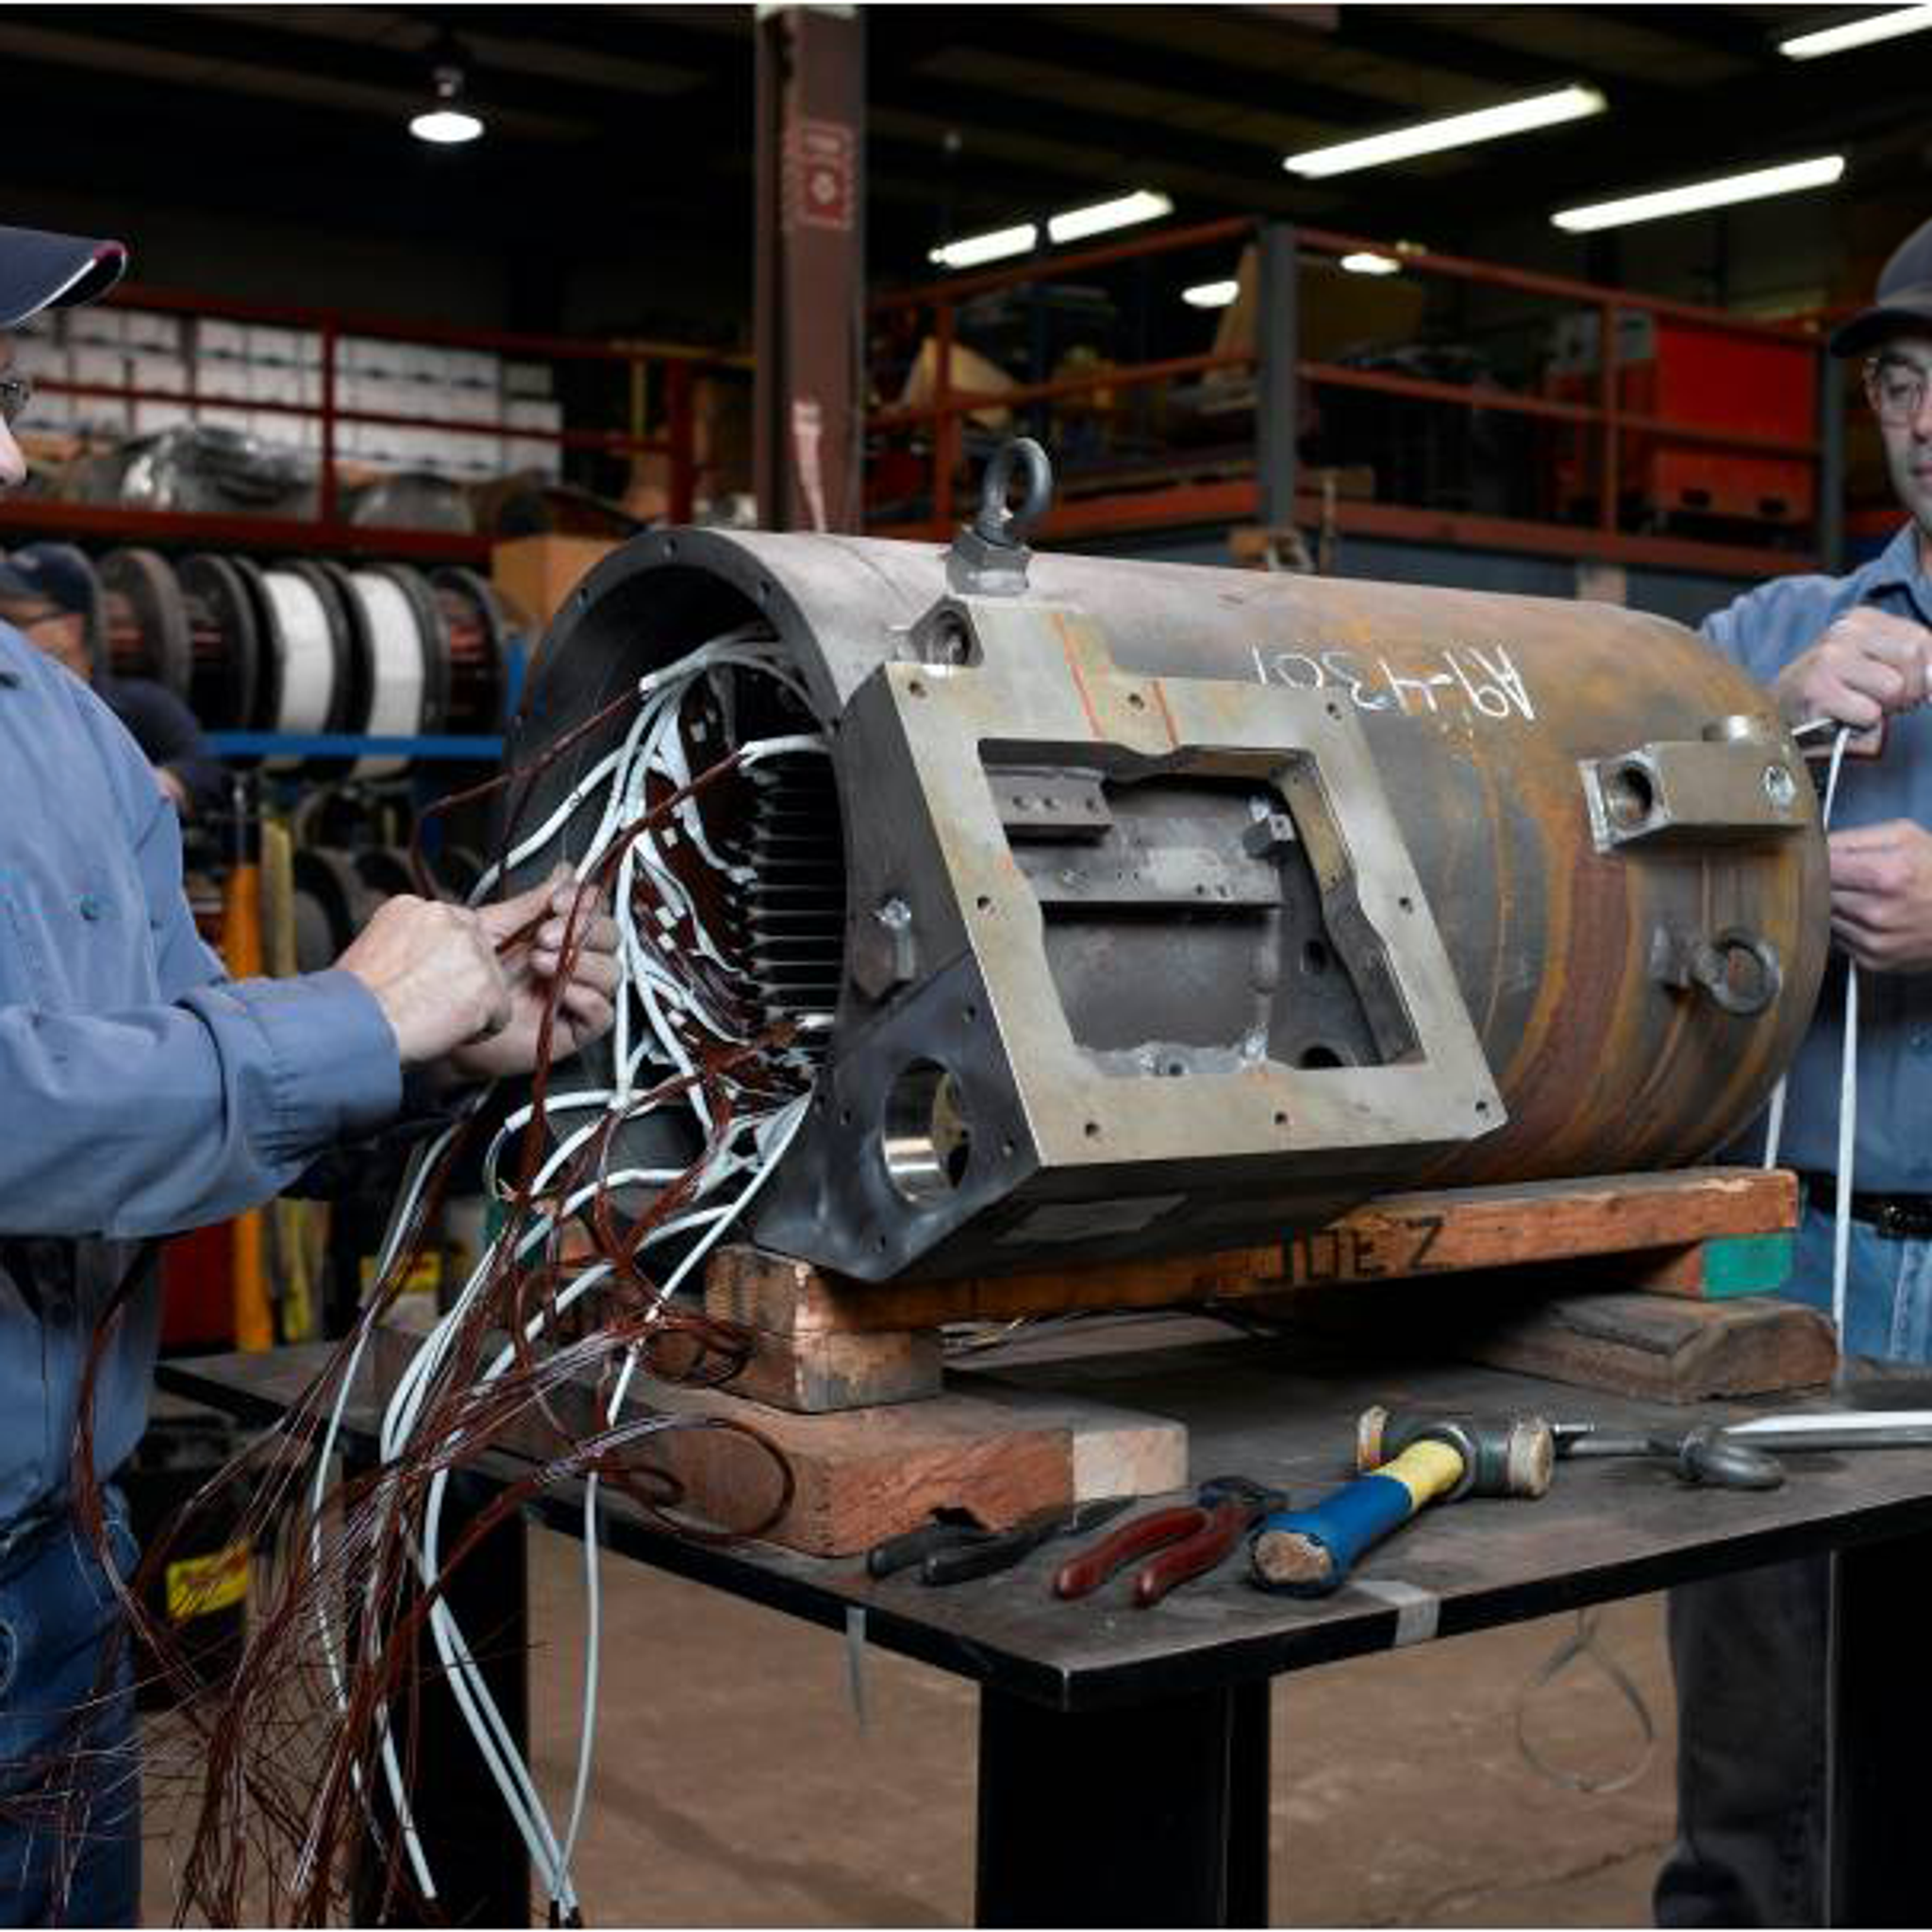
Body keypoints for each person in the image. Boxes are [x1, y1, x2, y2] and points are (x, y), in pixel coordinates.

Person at [0, 224, 622, 1927]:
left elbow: (171, 1069)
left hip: (61, 1575)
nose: (12, 461)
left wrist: (431, 1040)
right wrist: (350, 1017)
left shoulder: (59, 727)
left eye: (10, 401)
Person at [1657, 214, 1932, 1925]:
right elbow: (1595, 845)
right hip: (1787, 1273)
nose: (1927, 418)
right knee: (1751, 1788)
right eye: (1903, 382)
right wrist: (1759, 718)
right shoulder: (1778, 626)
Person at [0, 541, 227, 817]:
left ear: (70, 628)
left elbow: (205, 771)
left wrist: (135, 791)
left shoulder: (140, 708)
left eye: (14, 621)